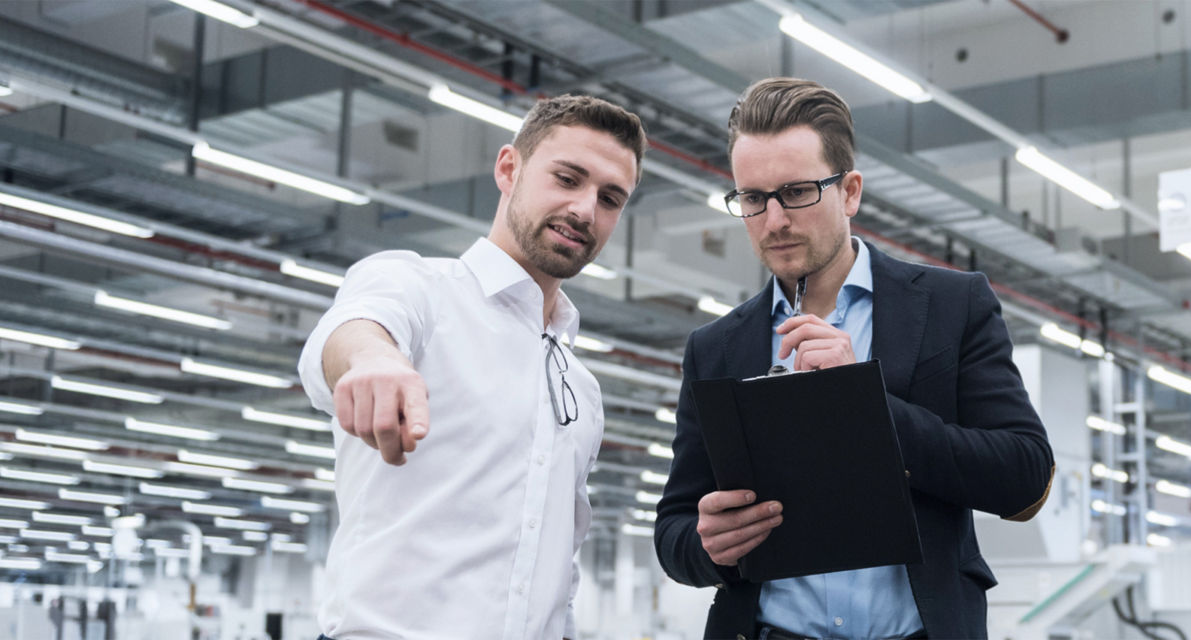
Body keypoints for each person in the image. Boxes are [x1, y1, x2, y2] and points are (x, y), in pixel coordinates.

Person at [653, 78, 1055, 640]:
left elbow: (1025, 477)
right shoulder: (715, 347)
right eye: (753, 198)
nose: (774, 220)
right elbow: (674, 530)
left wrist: (865, 404)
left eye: (797, 192)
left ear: (849, 192)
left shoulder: (951, 306)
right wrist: (707, 546)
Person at [298, 94, 646, 639]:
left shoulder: (580, 388)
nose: (585, 210)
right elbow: (355, 327)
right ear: (509, 169)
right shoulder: (420, 288)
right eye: (567, 178)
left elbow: (557, 565)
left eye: (609, 198)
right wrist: (373, 359)